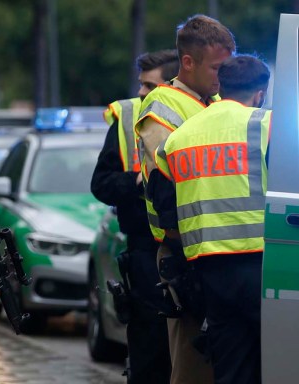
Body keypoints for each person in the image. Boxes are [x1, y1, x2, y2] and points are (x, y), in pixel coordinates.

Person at [153, 54, 270, 384]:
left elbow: (163, 206)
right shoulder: (266, 125)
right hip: (263, 265)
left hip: (209, 272)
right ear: (260, 94)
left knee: (230, 367)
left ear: (222, 87)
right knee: (277, 359)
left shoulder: (179, 137)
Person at [134, 14, 236, 384]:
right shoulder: (162, 105)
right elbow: (165, 185)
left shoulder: (218, 99)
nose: (222, 75)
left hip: (218, 252)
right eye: (216, 67)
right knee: (194, 368)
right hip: (182, 251)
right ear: (188, 62)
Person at [92, 49, 179, 384]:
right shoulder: (127, 117)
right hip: (145, 253)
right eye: (140, 84)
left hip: (194, 252)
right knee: (150, 354)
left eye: (148, 85)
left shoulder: (203, 110)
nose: (141, 92)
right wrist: (138, 181)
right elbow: (101, 183)